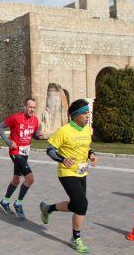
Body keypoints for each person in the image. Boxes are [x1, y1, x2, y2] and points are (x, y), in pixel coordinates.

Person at [39, 99, 97, 253]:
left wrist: (91, 154)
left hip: (81, 172)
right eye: (85, 113)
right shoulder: (64, 131)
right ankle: (75, 238)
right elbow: (50, 150)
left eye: (88, 113)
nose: (87, 116)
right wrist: (63, 159)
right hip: (66, 172)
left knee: (76, 205)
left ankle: (48, 209)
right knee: (82, 205)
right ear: (76, 115)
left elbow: (87, 146)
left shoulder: (86, 129)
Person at [0, 98, 42, 219]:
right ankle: (18, 203)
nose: (32, 109)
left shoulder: (35, 120)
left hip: (25, 152)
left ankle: (5, 202)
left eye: (34, 107)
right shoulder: (15, 118)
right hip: (15, 152)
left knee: (16, 179)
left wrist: (38, 136)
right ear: (25, 106)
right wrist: (8, 142)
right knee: (30, 179)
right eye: (30, 107)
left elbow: (35, 135)